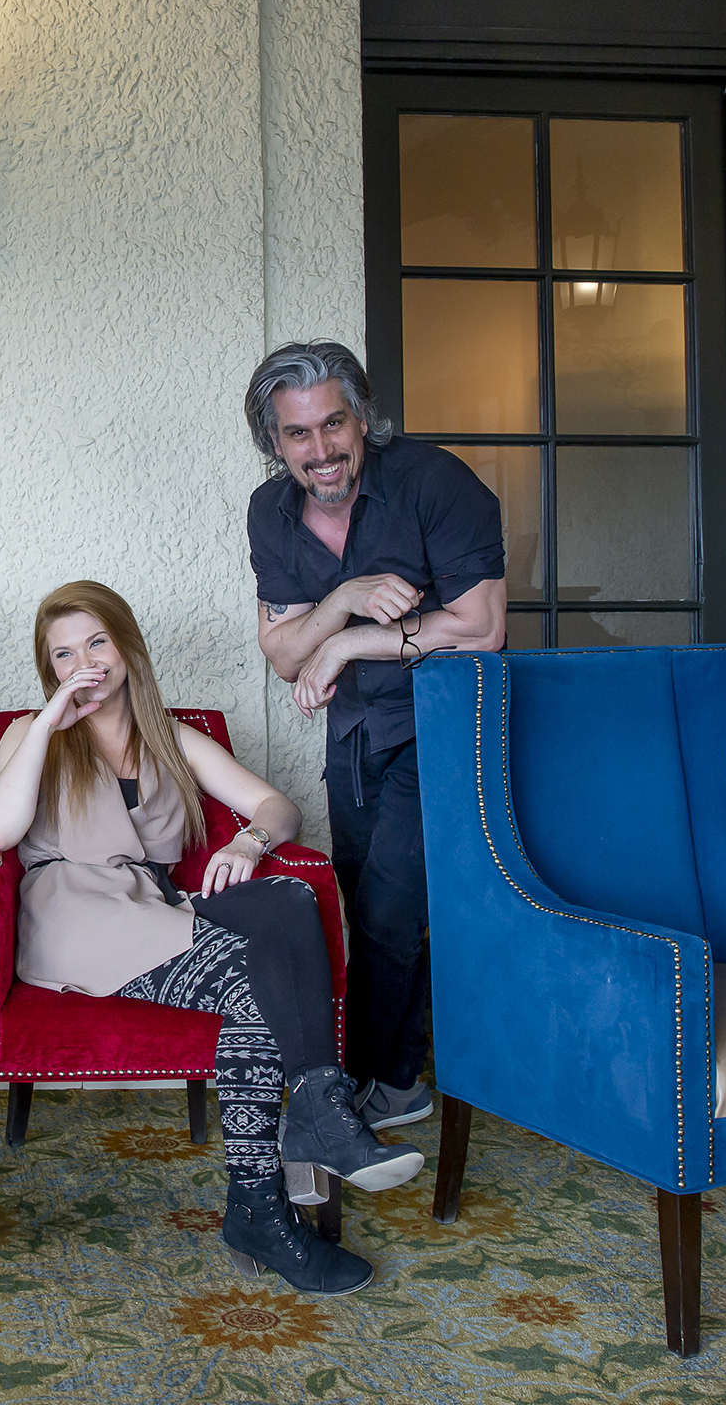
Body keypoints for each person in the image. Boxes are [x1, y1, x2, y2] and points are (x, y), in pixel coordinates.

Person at [0, 581, 425, 1297]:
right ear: (49, 669)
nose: (84, 663)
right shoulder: (32, 734)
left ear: (126, 646)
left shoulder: (170, 738)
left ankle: (311, 1115)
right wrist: (51, 719)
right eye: (63, 654)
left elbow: (278, 806)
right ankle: (267, 1201)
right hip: (72, 915)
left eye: (96, 642)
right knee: (260, 983)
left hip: (152, 905)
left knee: (286, 900)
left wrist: (248, 842)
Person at [244, 341, 506, 1135]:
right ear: (274, 440)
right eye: (298, 433)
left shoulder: (434, 483)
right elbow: (284, 653)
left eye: (333, 424)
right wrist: (345, 602)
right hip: (355, 735)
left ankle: (352, 1091)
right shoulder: (270, 512)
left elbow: (482, 628)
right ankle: (397, 1083)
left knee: (392, 915)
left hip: (442, 727)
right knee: (365, 912)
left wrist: (347, 645)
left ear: (363, 418)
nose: (320, 450)